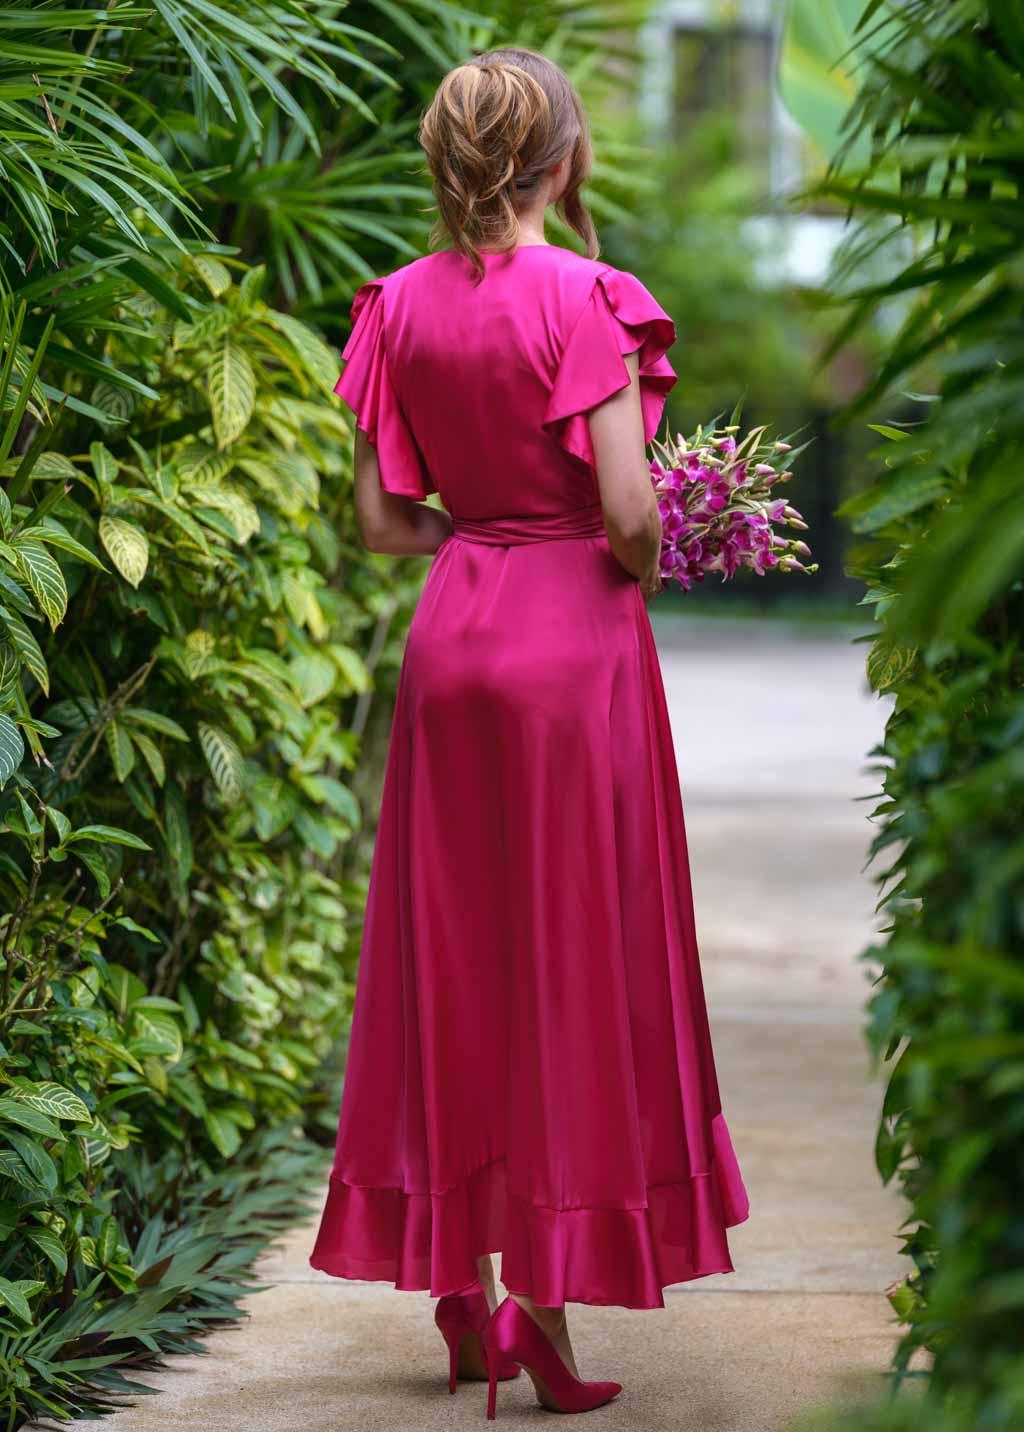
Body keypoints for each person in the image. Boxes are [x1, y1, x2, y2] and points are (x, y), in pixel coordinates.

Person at [309, 45, 750, 1420]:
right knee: (569, 956)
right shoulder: (589, 299)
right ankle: (542, 1313)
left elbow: (383, 524)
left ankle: (458, 1285)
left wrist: (482, 531)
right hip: (573, 650)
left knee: (453, 950)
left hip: (456, 635)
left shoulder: (393, 307)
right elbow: (626, 510)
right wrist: (651, 554)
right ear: (568, 159)